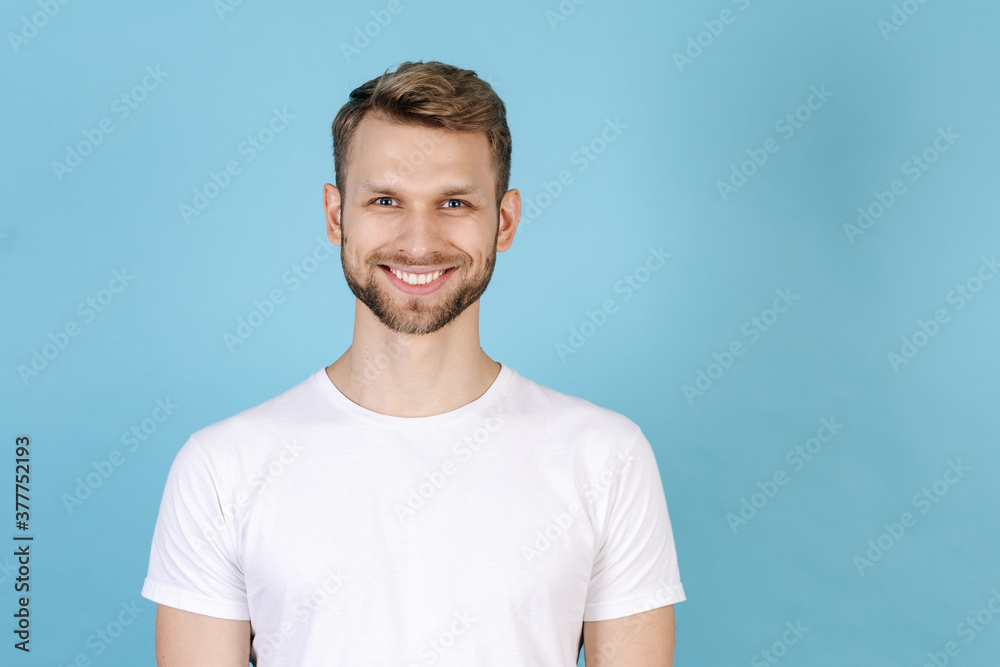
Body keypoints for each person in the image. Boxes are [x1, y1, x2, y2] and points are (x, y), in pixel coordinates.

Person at [141, 60, 685, 666]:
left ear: (503, 221)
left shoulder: (606, 457)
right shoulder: (221, 469)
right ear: (335, 215)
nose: (419, 240)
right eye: (385, 200)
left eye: (453, 201)